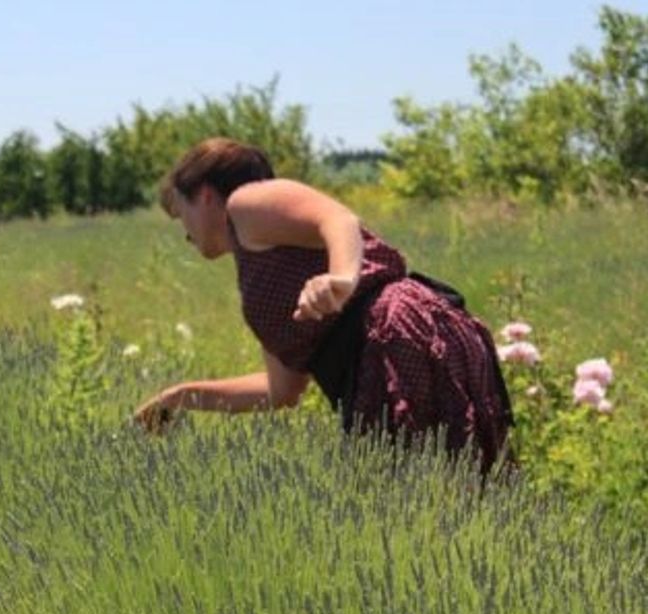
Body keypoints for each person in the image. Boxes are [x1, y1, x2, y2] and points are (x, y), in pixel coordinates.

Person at [133, 137, 516, 477]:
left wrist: (342, 279)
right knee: (433, 499)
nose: (182, 231)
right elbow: (280, 390)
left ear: (204, 195)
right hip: (374, 358)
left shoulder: (245, 203)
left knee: (427, 497)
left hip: (396, 330)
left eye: (178, 211)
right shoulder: (258, 273)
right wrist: (181, 395)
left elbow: (338, 219)